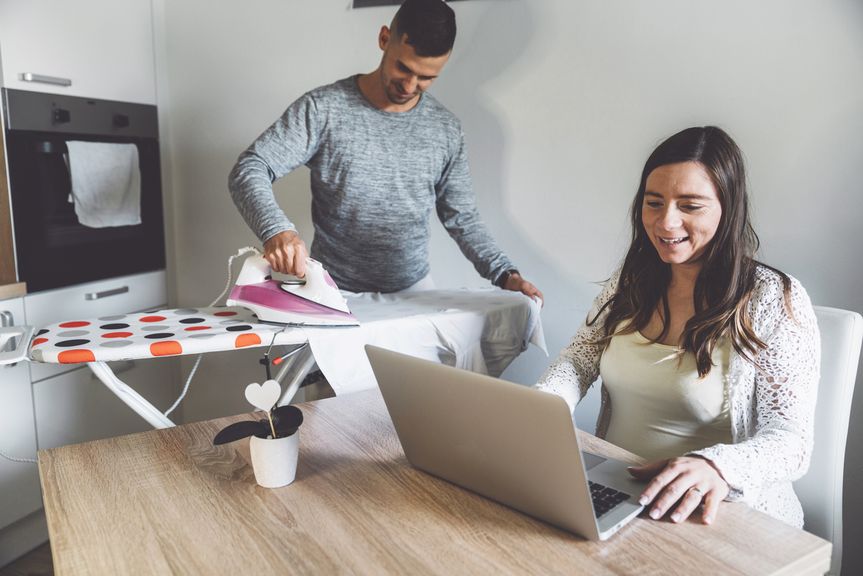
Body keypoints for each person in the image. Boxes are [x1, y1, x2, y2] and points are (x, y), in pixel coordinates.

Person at [536, 126, 819, 528]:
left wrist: (715, 465)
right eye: (654, 203)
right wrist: (543, 405)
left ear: (728, 208)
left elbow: (792, 443)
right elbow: (580, 358)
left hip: (717, 515)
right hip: (617, 494)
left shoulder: (774, 298)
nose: (666, 223)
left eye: (690, 206)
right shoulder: (632, 279)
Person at [228, 0, 541, 301]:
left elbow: (463, 218)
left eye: (426, 77)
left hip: (413, 291)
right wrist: (277, 230)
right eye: (403, 68)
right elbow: (250, 168)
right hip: (334, 291)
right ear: (384, 39)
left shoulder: (445, 129)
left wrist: (504, 274)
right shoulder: (323, 109)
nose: (409, 85)